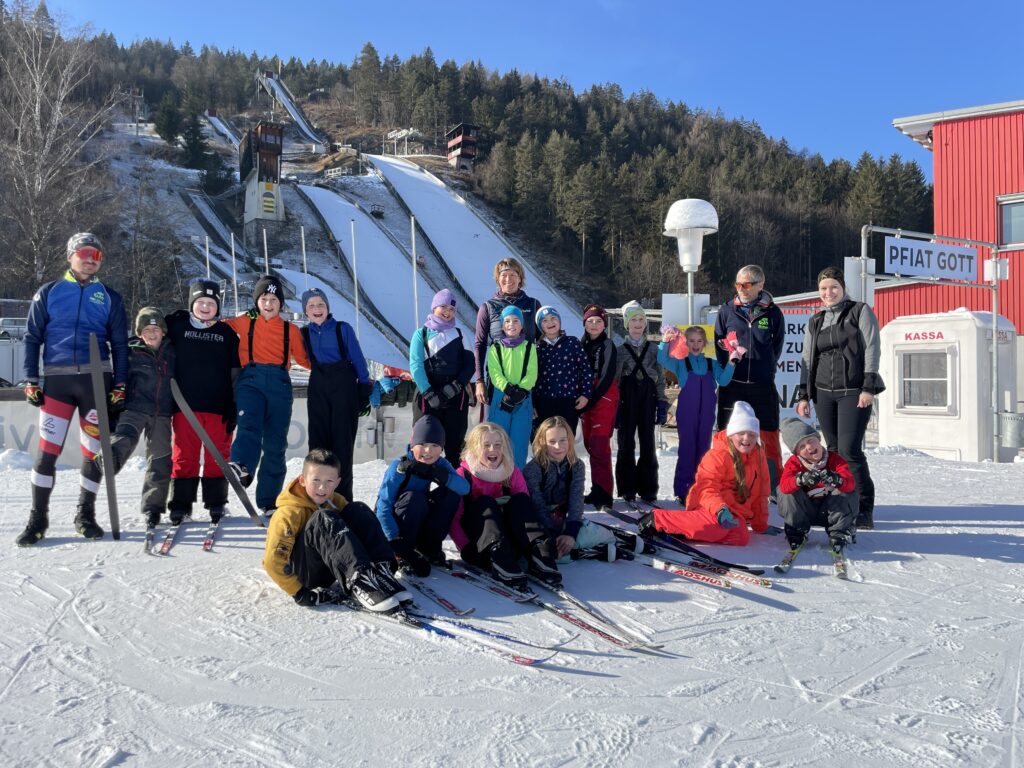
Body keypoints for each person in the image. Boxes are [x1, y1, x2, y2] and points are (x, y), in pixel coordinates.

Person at [17, 232, 129, 546]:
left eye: (96, 255)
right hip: (57, 382)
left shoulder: (109, 297)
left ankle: (85, 515)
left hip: (96, 382)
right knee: (47, 452)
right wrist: (30, 379)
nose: (90, 259)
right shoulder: (49, 292)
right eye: (84, 253)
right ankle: (37, 519)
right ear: (70, 256)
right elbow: (32, 337)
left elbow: (120, 345)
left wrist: (120, 384)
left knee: (93, 453)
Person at [263, 448, 411, 613]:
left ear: (338, 482)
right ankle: (361, 582)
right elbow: (272, 561)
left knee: (358, 509)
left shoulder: (335, 500)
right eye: (316, 480)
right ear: (302, 480)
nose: (322, 487)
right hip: (305, 575)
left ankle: (380, 573)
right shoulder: (288, 513)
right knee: (323, 518)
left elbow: (357, 529)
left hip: (330, 566)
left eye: (329, 481)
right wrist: (299, 593)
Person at [795, 267, 885, 529]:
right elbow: (807, 358)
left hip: (853, 391)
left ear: (843, 288)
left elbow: (872, 348)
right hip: (823, 392)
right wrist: (804, 395)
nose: (829, 292)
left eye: (834, 287)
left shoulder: (859, 311)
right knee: (832, 451)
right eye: (823, 288)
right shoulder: (816, 320)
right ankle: (839, 503)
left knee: (850, 451)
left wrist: (868, 387)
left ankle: (864, 508)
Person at [225, 275, 311, 514]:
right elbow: (218, 327)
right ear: (257, 302)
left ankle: (269, 500)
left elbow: (306, 360)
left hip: (279, 384)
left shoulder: (291, 330)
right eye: (264, 299)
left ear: (280, 303)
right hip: (250, 381)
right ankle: (242, 465)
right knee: (249, 425)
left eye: (274, 299)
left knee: (275, 443)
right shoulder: (245, 322)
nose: (269, 304)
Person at [637, 402, 770, 546]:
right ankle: (658, 519)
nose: (746, 438)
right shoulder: (718, 455)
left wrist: (760, 524)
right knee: (717, 527)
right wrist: (720, 509)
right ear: (731, 434)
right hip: (708, 505)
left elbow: (762, 492)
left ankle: (684, 530)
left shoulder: (758, 455)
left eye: (751, 434)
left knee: (741, 535)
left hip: (733, 512)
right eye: (741, 433)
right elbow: (706, 488)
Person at [165, 278, 240, 525]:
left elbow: (235, 373)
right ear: (191, 304)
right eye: (201, 302)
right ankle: (181, 504)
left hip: (218, 407)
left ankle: (216, 503)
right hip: (185, 406)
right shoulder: (177, 327)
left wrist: (234, 404)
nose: (206, 307)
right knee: (184, 455)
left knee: (217, 456)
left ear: (218, 306)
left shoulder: (227, 334)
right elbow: (152, 336)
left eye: (211, 303)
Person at [450, 422, 551, 589]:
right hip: (481, 544)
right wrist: (465, 547)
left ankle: (539, 554)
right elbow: (454, 519)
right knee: (485, 502)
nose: (493, 449)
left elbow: (525, 512)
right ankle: (499, 559)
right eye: (486, 445)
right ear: (474, 448)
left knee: (521, 500)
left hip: (510, 540)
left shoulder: (511, 472)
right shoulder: (463, 475)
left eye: (498, 445)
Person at [100, 308, 176, 528]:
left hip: (162, 412)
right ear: (139, 332)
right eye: (146, 330)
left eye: (155, 329)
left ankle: (153, 508)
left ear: (163, 331)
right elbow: (118, 377)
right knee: (125, 437)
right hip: (134, 408)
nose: (151, 334)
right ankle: (107, 458)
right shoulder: (130, 351)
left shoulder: (173, 351)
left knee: (160, 459)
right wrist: (114, 402)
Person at [713, 264, 785, 492]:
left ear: (760, 285)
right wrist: (729, 368)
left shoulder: (773, 313)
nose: (741, 289)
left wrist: (765, 368)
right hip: (733, 385)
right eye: (738, 284)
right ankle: (726, 482)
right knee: (726, 434)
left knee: (769, 434)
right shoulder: (726, 311)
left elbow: (776, 346)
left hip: (762, 385)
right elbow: (719, 345)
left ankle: (773, 487)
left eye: (746, 284)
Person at [523, 416, 618, 585]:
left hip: (565, 521)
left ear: (570, 440)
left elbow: (576, 499)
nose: (558, 446)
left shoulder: (576, 466)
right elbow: (537, 505)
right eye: (552, 441)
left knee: (604, 536)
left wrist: (571, 533)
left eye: (563, 440)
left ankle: (587, 541)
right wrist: (552, 536)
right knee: (536, 555)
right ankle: (580, 552)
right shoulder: (533, 469)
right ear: (542, 442)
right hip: (541, 524)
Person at [300, 287, 373, 503]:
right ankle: (316, 498)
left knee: (342, 447)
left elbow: (358, 359)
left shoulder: (342, 329)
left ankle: (342, 500)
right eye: (311, 305)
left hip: (344, 388)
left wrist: (364, 388)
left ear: (327, 307)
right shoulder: (304, 333)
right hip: (318, 388)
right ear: (305, 311)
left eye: (320, 304)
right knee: (317, 446)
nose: (317, 309)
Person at [375, 415, 470, 577]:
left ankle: (430, 548)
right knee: (415, 498)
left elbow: (464, 489)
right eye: (423, 444)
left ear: (442, 448)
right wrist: (394, 539)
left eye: (434, 445)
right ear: (412, 445)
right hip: (397, 527)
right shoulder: (399, 467)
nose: (428, 451)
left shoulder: (439, 463)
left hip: (419, 518)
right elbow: (383, 506)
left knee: (451, 495)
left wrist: (439, 474)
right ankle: (402, 553)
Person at [659, 325, 735, 502]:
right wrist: (665, 342)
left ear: (704, 343)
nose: (695, 344)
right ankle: (683, 490)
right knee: (687, 449)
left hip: (707, 414)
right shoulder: (681, 363)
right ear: (686, 343)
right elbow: (662, 359)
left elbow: (724, 381)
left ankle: (703, 489)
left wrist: (732, 362)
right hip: (687, 413)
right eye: (691, 341)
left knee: (703, 450)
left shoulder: (711, 363)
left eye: (699, 341)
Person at [409, 289, 474, 463]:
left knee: (455, 444)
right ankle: (420, 477)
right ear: (434, 307)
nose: (447, 312)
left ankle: (455, 478)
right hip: (428, 394)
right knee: (424, 442)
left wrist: (456, 386)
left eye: (452, 309)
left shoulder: (460, 334)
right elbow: (416, 366)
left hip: (455, 394)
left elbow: (470, 365)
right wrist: (429, 393)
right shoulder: (421, 334)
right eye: (443, 307)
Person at [777, 417, 856, 555]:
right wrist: (799, 480)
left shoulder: (835, 459)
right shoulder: (794, 463)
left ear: (818, 439)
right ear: (796, 453)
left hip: (831, 511)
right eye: (801, 446)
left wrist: (838, 480)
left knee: (846, 489)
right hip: (805, 512)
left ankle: (840, 533)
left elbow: (850, 484)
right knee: (786, 492)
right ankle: (796, 532)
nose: (808, 447)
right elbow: (784, 486)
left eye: (810, 440)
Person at [615, 301, 667, 504]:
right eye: (633, 320)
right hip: (627, 398)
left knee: (648, 442)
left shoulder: (654, 349)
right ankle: (627, 488)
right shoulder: (620, 350)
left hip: (648, 397)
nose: (637, 323)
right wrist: (615, 407)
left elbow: (660, 378)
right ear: (627, 324)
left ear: (645, 323)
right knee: (626, 443)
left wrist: (662, 402)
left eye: (641, 320)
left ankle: (648, 488)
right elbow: (615, 381)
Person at [474, 258, 541, 412]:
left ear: (520, 278)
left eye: (513, 275)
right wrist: (479, 381)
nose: (508, 279)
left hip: (527, 381)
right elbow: (480, 344)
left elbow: (541, 340)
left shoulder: (532, 304)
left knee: (524, 424)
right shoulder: (488, 307)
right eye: (503, 275)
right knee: (497, 424)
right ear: (498, 279)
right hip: (499, 381)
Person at [486, 305, 538, 468]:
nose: (511, 324)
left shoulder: (529, 347)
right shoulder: (495, 348)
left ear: (522, 325)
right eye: (507, 321)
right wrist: (508, 389)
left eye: (516, 321)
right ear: (502, 326)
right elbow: (494, 372)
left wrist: (521, 391)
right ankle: (497, 477)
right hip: (501, 400)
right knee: (498, 440)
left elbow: (532, 372)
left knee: (519, 443)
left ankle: (517, 478)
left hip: (523, 399)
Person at [578, 304, 618, 508]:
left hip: (603, 397)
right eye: (590, 321)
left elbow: (607, 374)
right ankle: (597, 488)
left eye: (598, 321)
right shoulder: (581, 344)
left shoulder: (608, 344)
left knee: (600, 445)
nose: (594, 325)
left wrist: (591, 398)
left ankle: (604, 494)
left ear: (604, 325)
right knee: (590, 444)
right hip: (587, 398)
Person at [532, 305, 590, 438]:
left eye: (553, 318)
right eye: (544, 320)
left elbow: (585, 369)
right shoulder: (537, 349)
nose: (550, 322)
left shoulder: (572, 343)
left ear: (559, 320)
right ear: (540, 326)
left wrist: (585, 394)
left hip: (568, 400)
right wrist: (532, 403)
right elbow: (532, 377)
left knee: (567, 437)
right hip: (544, 401)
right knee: (545, 438)